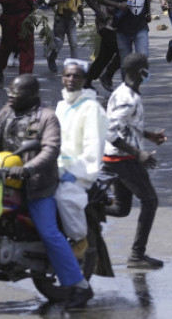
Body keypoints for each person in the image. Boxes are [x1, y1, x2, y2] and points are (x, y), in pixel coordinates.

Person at [0, 75, 94, 308]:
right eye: (10, 91)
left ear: (32, 95)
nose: (11, 96)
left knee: (49, 232)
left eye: (16, 93)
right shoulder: (8, 111)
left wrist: (27, 169)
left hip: (37, 185)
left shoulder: (47, 118)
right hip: (2, 179)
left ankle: (80, 286)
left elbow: (50, 149)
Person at [102, 53, 166, 269]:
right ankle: (137, 255)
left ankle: (85, 208)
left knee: (121, 208)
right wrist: (138, 153)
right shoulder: (127, 98)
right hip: (122, 159)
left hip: (116, 157)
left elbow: (126, 126)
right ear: (141, 72)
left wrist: (148, 135)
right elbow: (109, 130)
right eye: (147, 68)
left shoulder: (124, 92)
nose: (148, 72)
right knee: (150, 201)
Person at [55, 59, 106, 260]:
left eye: (76, 76)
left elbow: (93, 147)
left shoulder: (91, 108)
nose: (71, 79)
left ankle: (79, 239)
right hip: (55, 167)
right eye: (67, 75)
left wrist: (74, 173)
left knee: (65, 197)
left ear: (84, 80)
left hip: (78, 171)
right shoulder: (61, 106)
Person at [97, 0, 152, 64]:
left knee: (143, 57)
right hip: (123, 30)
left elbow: (146, 1)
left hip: (141, 28)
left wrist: (148, 13)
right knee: (125, 62)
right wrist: (118, 5)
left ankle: (140, 74)